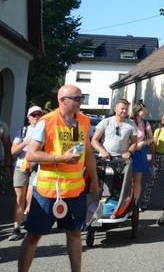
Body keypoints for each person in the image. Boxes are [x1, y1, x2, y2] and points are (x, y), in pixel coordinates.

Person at [17, 85, 100, 272]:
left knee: (75, 233)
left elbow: (88, 152)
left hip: (75, 190)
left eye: (82, 97)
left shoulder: (85, 121)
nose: (81, 101)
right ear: (63, 100)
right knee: (34, 236)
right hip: (47, 192)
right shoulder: (46, 122)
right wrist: (61, 158)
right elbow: (31, 155)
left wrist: (94, 180)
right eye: (77, 98)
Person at [7, 106, 45, 241]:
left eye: (38, 114)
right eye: (33, 115)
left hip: (38, 165)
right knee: (19, 198)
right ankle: (16, 228)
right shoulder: (23, 131)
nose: (36, 117)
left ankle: (29, 219)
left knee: (31, 195)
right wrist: (25, 143)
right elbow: (13, 151)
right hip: (21, 166)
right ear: (28, 118)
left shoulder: (46, 130)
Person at [140, 113, 164, 210]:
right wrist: (153, 158)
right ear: (163, 121)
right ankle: (145, 202)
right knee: (151, 180)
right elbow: (154, 145)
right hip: (158, 157)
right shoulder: (158, 131)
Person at [129, 102, 154, 207]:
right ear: (138, 111)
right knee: (127, 179)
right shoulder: (129, 122)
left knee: (137, 179)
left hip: (139, 153)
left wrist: (143, 142)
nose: (145, 113)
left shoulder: (145, 124)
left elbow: (152, 138)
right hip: (128, 152)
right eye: (144, 111)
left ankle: (136, 202)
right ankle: (126, 202)